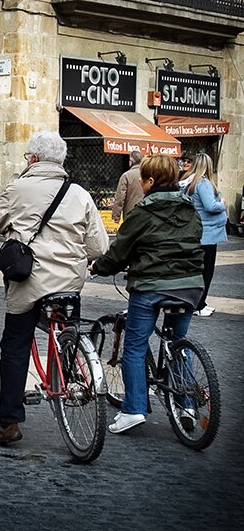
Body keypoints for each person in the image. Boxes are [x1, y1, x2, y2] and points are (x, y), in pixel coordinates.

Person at [0, 131, 108, 445]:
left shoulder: (19, 188)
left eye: (28, 157)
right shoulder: (79, 193)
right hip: (70, 282)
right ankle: (68, 371)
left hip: (29, 282)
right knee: (66, 328)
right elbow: (98, 245)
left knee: (14, 347)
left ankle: (9, 423)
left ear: (34, 159)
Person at [91, 154, 204, 434]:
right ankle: (187, 404)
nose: (140, 184)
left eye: (142, 178)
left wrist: (98, 267)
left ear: (151, 181)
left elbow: (119, 253)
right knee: (178, 343)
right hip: (190, 285)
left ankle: (133, 409)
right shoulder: (190, 209)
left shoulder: (142, 213)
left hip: (152, 286)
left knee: (135, 347)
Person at [182, 152, 227, 317]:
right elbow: (211, 206)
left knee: (197, 270)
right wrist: (221, 203)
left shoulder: (190, 183)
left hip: (197, 231)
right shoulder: (204, 183)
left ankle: (196, 302)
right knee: (206, 271)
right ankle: (199, 305)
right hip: (208, 234)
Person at [111, 150, 143, 224]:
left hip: (130, 214)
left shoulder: (126, 176)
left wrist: (116, 215)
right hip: (147, 214)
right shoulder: (148, 174)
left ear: (130, 161)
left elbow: (120, 197)